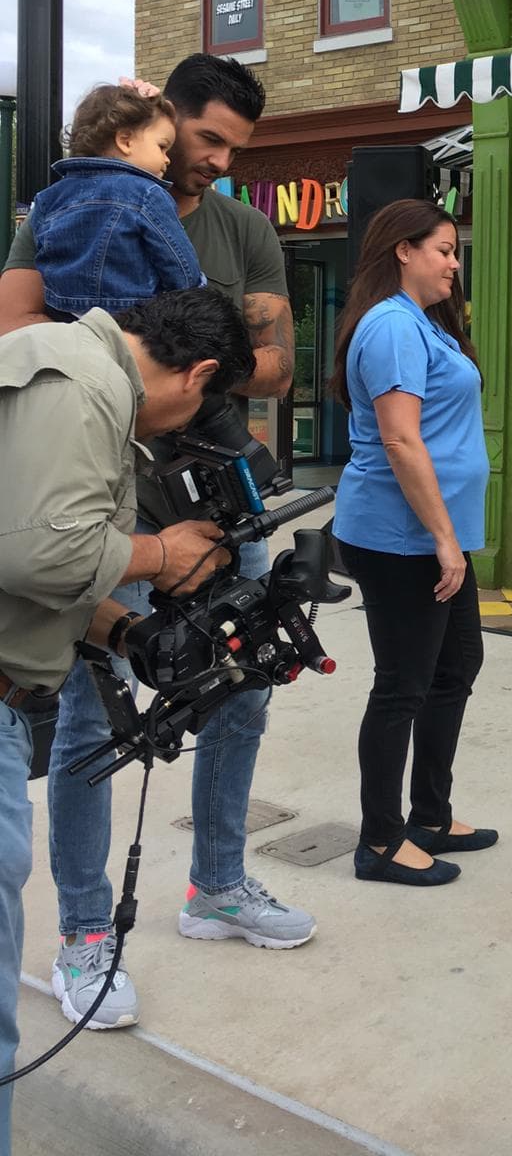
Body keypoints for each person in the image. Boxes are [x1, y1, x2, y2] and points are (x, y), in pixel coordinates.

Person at [0, 53, 307, 1032]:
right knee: (98, 712)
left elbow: (272, 365)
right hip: (104, 489)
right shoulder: (72, 205)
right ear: (157, 119)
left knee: (247, 671)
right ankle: (87, 931)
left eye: (228, 149)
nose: (212, 162)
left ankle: (218, 882)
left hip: (219, 485)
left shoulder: (241, 226)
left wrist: (193, 367)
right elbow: (17, 340)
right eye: (203, 138)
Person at [0, 288, 255, 1156]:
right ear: (201, 373)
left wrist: (132, 628)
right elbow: (40, 551)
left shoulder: (67, 367)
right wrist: (158, 553)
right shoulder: (84, 385)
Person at [331, 199, 495, 888]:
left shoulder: (421, 326)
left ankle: (429, 813)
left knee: (456, 667)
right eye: (444, 249)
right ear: (404, 249)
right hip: (402, 539)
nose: (455, 264)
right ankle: (379, 840)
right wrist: (442, 540)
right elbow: (400, 439)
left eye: (455, 252)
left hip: (433, 536)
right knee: (403, 684)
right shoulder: (393, 328)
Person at [29, 78, 201, 317]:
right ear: (125, 141)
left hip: (63, 315)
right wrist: (196, 293)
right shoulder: (147, 194)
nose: (167, 159)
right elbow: (180, 266)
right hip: (133, 317)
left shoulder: (49, 197)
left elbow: (42, 256)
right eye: (162, 147)